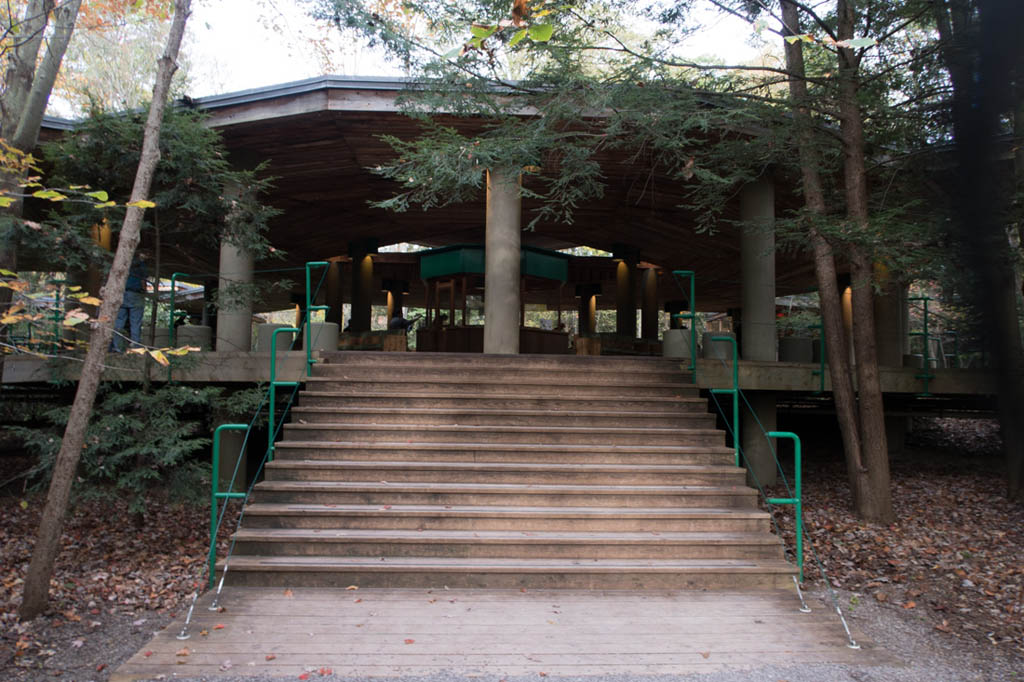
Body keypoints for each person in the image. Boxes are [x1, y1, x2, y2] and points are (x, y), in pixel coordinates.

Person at [110, 251, 147, 352]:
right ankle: (136, 346)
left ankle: (117, 347)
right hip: (136, 295)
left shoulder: (122, 263)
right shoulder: (141, 265)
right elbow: (143, 281)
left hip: (121, 294)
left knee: (119, 321)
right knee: (136, 322)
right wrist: (144, 291)